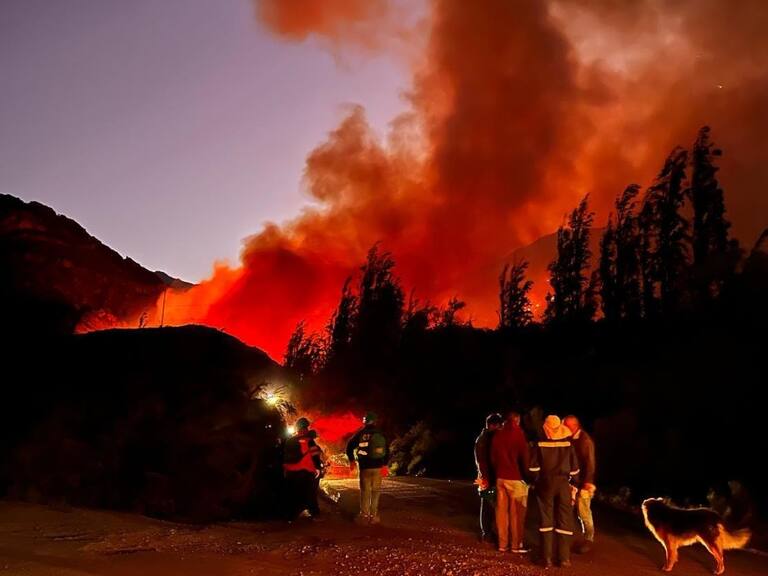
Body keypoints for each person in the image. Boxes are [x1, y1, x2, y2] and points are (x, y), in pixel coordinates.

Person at [529, 415, 580, 568]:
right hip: (563, 484)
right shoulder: (568, 445)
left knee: (546, 519)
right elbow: (575, 470)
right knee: (564, 519)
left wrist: (536, 481)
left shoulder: (539, 444)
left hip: (545, 484)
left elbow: (533, 469)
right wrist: (574, 485)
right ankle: (564, 558)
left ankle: (546, 558)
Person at [490, 411, 530, 554]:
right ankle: (516, 545)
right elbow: (524, 458)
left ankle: (502, 544)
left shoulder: (497, 435)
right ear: (517, 421)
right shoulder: (519, 435)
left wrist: (498, 472)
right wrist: (528, 477)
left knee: (501, 513)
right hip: (516, 479)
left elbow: (493, 458)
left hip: (501, 478)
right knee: (516, 514)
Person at [346, 412, 388, 524]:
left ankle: (364, 515)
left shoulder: (361, 433)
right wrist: (385, 464)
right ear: (375, 421)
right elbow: (386, 449)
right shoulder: (380, 433)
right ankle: (374, 516)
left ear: (364, 421)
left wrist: (352, 461)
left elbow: (349, 446)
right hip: (378, 467)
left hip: (365, 467)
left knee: (365, 491)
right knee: (376, 491)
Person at [563, 415, 596, 548]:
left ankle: (588, 538)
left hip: (583, 482)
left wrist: (587, 481)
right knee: (571, 510)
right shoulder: (572, 439)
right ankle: (572, 538)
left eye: (566, 425)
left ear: (574, 426)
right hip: (574, 481)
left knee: (584, 512)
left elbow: (590, 462)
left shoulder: (585, 441)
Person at [283, 417, 324, 519]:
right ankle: (314, 513)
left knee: (293, 493)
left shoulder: (289, 440)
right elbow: (315, 456)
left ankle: (291, 515)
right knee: (311, 493)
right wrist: (318, 468)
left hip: (291, 471)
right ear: (306, 428)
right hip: (306, 471)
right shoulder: (309, 441)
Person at [475, 413, 504, 545]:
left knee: (488, 504)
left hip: (487, 476)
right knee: (488, 505)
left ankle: (488, 533)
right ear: (494, 425)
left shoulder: (483, 438)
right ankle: (487, 533)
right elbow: (481, 461)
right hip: (488, 476)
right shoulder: (486, 439)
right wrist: (485, 477)